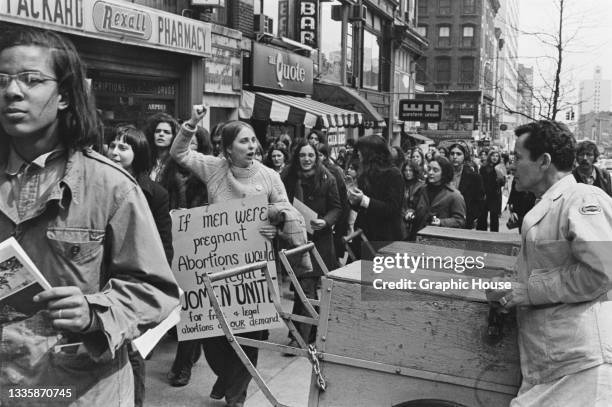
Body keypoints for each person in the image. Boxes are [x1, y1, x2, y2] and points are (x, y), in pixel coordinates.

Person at [0, 27, 179, 406]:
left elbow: (158, 290)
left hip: (80, 391)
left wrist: (96, 312)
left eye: (31, 80)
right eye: (2, 80)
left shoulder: (112, 187)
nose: (12, 91)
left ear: (64, 95)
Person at [486, 120, 612, 407]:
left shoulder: (584, 197)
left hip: (581, 366)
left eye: (517, 158)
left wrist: (527, 291)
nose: (512, 165)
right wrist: (511, 288)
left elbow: (604, 271)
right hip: (558, 363)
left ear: (544, 162)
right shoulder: (550, 203)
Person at [171, 106, 287, 407]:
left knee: (250, 335)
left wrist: (275, 220)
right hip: (216, 270)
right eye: (244, 141)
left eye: (253, 141)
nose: (252, 146)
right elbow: (180, 153)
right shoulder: (213, 168)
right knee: (213, 338)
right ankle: (227, 378)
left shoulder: (270, 176)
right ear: (227, 149)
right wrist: (193, 122)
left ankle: (236, 396)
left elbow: (287, 210)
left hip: (254, 272)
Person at [107, 126, 174, 407]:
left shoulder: (155, 194)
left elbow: (164, 247)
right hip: (102, 280)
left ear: (138, 154)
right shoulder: (100, 185)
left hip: (133, 284)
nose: (115, 152)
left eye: (124, 147)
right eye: (112, 145)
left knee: (132, 354)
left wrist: (150, 286)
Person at [282, 140, 341, 344]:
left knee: (307, 288)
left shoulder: (327, 178)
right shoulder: (287, 177)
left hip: (319, 242)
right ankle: (303, 333)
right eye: (302, 155)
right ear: (296, 157)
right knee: (302, 287)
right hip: (295, 239)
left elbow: (336, 208)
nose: (306, 159)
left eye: (310, 155)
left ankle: (303, 335)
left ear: (316, 158)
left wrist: (325, 221)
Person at [348, 135, 404, 257]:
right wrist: (353, 200)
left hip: (384, 240)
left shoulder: (394, 174)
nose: (358, 153)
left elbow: (392, 208)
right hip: (363, 236)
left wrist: (363, 200)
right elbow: (362, 207)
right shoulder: (364, 174)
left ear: (371, 153)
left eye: (361, 150)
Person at [409, 156, 466, 240]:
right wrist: (410, 213)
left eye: (435, 170)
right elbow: (412, 207)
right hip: (417, 237)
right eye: (429, 169)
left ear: (444, 173)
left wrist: (441, 222)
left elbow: (460, 221)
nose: (430, 173)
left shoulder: (454, 195)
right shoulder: (422, 190)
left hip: (439, 240)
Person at [317, 143, 350, 261]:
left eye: (319, 155)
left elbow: (341, 200)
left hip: (331, 217)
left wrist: (334, 219)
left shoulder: (334, 171)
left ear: (325, 156)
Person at [448, 143, 484, 229]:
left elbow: (480, 200)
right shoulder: (443, 175)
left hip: (465, 221)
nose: (455, 157)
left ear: (464, 156)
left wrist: (471, 217)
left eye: (458, 154)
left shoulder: (474, 177)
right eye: (452, 154)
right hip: (445, 220)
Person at [144, 112, 179, 184]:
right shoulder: (147, 159)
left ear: (173, 137)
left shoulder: (176, 162)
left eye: (166, 132)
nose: (161, 134)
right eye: (157, 131)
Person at [477, 150, 506, 232]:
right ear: (489, 157)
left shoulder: (501, 167)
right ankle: (482, 234)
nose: (495, 158)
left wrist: (501, 179)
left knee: (494, 217)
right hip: (485, 193)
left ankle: (494, 235)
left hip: (495, 195)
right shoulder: (484, 167)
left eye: (497, 156)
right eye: (493, 156)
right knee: (482, 216)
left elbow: (503, 183)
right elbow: (480, 181)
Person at [401, 161, 425, 240]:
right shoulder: (400, 184)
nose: (407, 173)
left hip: (415, 218)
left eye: (410, 170)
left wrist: (411, 212)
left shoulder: (421, 186)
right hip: (401, 216)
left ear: (414, 171)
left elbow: (420, 205)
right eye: (405, 170)